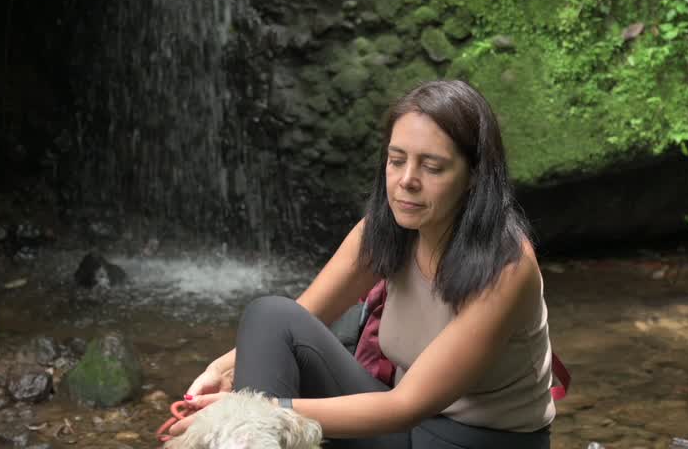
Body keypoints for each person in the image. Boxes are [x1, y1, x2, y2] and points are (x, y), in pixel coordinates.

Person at [170, 80, 555, 449]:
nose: (406, 180)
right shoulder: (388, 227)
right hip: (398, 429)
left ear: (473, 176)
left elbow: (405, 407)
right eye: (396, 160)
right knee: (270, 316)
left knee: (249, 421)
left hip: (473, 441)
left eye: (432, 167)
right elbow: (301, 320)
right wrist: (223, 371)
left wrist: (256, 412)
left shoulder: (507, 265)